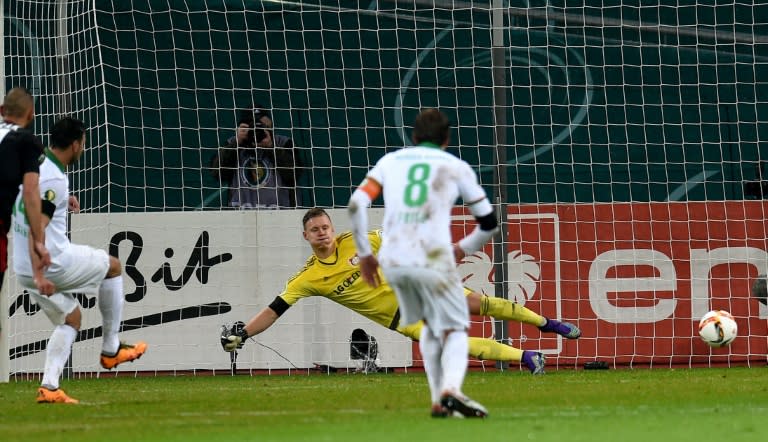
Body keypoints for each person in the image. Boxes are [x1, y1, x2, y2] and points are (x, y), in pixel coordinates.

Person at [220, 210, 580, 377]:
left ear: (333, 228)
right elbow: (274, 309)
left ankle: (548, 323)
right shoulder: (309, 278)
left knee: (479, 303)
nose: (322, 233)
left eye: (325, 227)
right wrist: (244, 334)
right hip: (402, 317)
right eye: (314, 230)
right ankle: (527, 357)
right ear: (306, 237)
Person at [347, 108, 499, 418]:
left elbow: (357, 203)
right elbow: (489, 222)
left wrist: (364, 254)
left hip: (393, 259)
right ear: (447, 138)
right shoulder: (455, 166)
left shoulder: (389, 162)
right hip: (432, 256)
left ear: (414, 137)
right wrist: (462, 249)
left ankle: (436, 400)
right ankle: (451, 389)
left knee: (430, 325)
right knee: (455, 327)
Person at [11, 117, 148, 404]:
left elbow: (31, 200)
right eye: (83, 144)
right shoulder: (53, 179)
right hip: (51, 263)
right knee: (113, 267)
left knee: (71, 318)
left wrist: (62, 199)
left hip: (22, 265)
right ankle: (111, 350)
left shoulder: (38, 164)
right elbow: (41, 223)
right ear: (75, 144)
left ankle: (49, 386)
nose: (83, 149)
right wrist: (42, 273)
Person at [0, 87, 50, 293]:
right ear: (31, 115)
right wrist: (38, 241)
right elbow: (30, 191)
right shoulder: (26, 141)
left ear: (2, 110)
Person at [210, 105, 301, 208]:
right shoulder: (233, 143)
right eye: (252, 126)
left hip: (280, 215)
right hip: (241, 215)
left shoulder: (284, 143)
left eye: (261, 125)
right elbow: (217, 173)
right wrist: (236, 144)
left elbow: (294, 175)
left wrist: (271, 147)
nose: (256, 130)